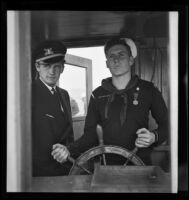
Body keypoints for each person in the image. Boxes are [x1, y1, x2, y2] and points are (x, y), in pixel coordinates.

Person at [51, 37, 168, 167]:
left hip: (140, 164)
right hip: (107, 166)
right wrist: (69, 149)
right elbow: (90, 135)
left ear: (130, 60)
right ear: (107, 63)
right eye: (111, 57)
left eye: (121, 55)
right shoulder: (97, 94)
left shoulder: (148, 90)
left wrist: (154, 136)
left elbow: (168, 125)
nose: (116, 60)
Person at [32, 40, 74, 176]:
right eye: (46, 65)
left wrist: (69, 150)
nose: (52, 71)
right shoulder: (27, 93)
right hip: (40, 173)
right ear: (37, 66)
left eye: (56, 66)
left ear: (63, 68)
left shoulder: (64, 94)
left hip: (65, 168)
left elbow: (68, 134)